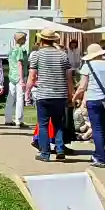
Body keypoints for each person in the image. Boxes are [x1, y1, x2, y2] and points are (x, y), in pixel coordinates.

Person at [28, 32, 79, 162]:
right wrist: (70, 94)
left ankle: (45, 153)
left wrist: (27, 91)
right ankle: (60, 149)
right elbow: (69, 77)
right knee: (58, 123)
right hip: (60, 94)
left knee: (43, 124)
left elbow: (32, 76)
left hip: (43, 94)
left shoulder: (37, 55)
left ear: (42, 40)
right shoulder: (63, 55)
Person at [79, 43, 105, 168]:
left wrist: (76, 97)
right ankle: (98, 153)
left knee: (96, 128)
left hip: (93, 99)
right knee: (103, 128)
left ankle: (100, 157)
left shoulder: (87, 66)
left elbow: (83, 86)